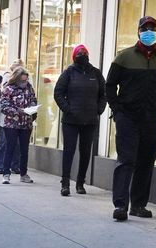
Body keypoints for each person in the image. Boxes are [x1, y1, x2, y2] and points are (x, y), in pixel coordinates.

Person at [106, 16, 156, 220]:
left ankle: (138, 205)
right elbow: (110, 85)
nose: (149, 32)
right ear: (138, 31)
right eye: (145, 28)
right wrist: (117, 110)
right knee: (126, 160)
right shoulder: (124, 57)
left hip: (153, 118)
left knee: (146, 161)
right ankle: (120, 205)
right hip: (128, 116)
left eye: (153, 28)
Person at [54, 45, 106, 197]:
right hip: (71, 121)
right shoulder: (68, 73)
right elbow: (58, 93)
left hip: (90, 120)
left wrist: (99, 109)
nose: (82, 55)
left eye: (84, 53)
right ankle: (65, 184)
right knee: (69, 151)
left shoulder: (96, 73)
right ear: (74, 56)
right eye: (79, 53)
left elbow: (104, 93)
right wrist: (68, 109)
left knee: (86, 152)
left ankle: (80, 183)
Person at [0, 67, 37, 184]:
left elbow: (33, 99)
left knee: (24, 150)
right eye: (23, 80)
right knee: (10, 147)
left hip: (26, 124)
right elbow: (4, 105)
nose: (25, 82)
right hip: (12, 124)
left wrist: (33, 108)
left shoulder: (29, 88)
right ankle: (6, 173)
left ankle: (23, 173)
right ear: (17, 78)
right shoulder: (9, 88)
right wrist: (17, 111)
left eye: (26, 79)